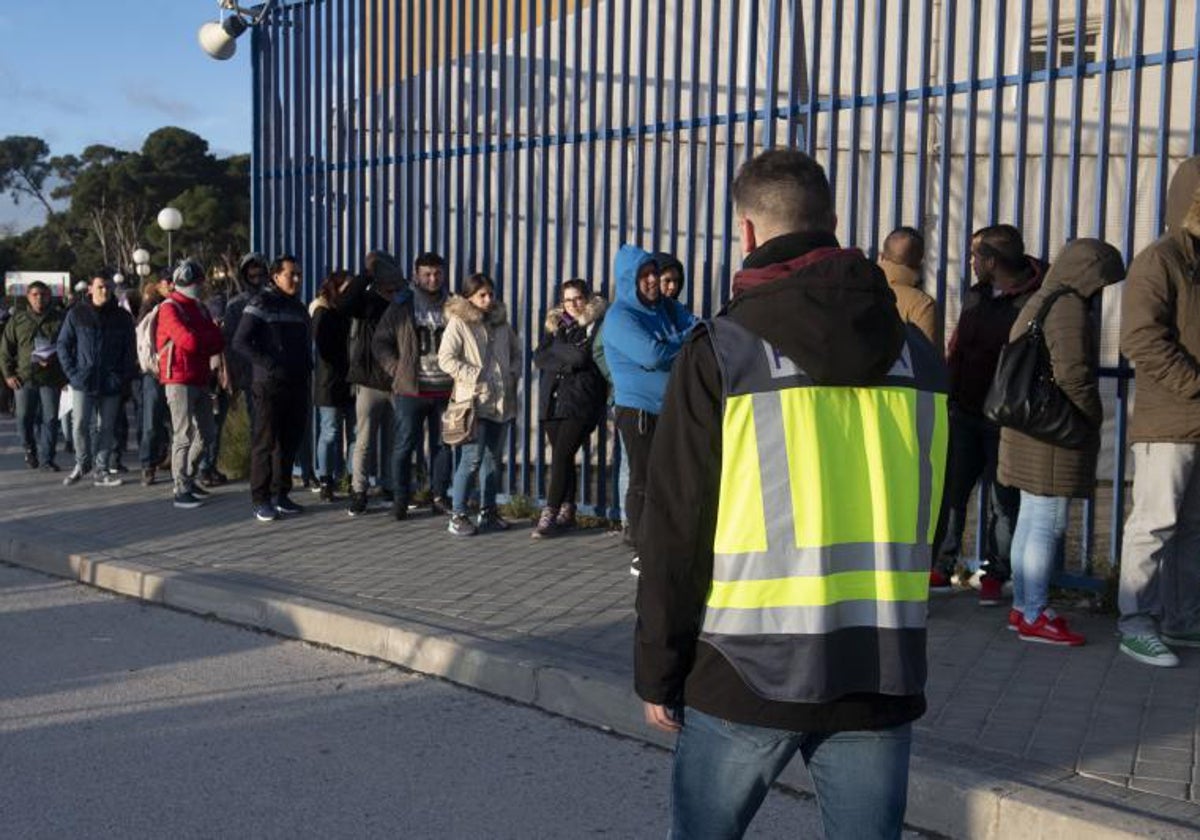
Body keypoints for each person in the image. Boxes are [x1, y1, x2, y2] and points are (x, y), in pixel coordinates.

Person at [635, 148, 948, 840]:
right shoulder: (919, 357)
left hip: (747, 664)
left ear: (745, 233)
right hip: (880, 663)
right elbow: (939, 500)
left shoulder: (723, 350)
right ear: (834, 224)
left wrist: (661, 666)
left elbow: (676, 526)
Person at [996, 239, 1125, 645]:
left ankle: (1023, 607)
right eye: (1103, 281)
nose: (1102, 291)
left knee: (1031, 519)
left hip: (1028, 428)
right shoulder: (1068, 305)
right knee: (1046, 522)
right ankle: (1033, 613)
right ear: (1089, 273)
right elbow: (1073, 374)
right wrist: (1092, 416)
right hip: (1053, 432)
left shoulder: (1041, 298)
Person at [1117, 155, 1200, 667]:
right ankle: (1135, 621)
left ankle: (1182, 620)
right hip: (1169, 421)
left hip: (1192, 421)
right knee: (1154, 524)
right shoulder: (1160, 259)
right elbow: (1140, 340)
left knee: (1192, 528)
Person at [933, 224, 1043, 603]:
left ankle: (997, 572)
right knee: (952, 492)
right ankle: (942, 564)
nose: (971, 262)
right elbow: (958, 346)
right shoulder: (975, 296)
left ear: (992, 261)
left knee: (1003, 500)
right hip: (964, 409)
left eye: (976, 255)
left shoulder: (1032, 299)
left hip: (1004, 416)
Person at [601, 245, 695, 572]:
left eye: (654, 273)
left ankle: (664, 539)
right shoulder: (620, 317)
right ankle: (641, 548)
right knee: (643, 480)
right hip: (639, 411)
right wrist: (680, 342)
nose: (653, 280)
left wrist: (675, 342)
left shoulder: (666, 308)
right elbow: (652, 356)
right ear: (630, 279)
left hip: (670, 406)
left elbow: (697, 328)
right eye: (645, 275)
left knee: (669, 478)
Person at [437, 273, 521, 537]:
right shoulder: (459, 323)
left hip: (501, 402)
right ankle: (458, 515)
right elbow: (446, 359)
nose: (488, 299)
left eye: (490, 294)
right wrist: (475, 375)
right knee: (470, 460)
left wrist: (511, 372)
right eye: (481, 295)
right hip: (473, 402)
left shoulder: (501, 323)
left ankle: (488, 511)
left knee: (493, 461)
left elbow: (517, 352)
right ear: (469, 297)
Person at [373, 251, 454, 520]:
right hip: (412, 389)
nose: (433, 279)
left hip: (445, 389)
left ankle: (439, 495)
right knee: (404, 444)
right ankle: (401, 498)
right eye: (427, 274)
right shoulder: (403, 304)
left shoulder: (454, 305)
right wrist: (397, 370)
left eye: (437, 273)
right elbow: (380, 341)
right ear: (416, 275)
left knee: (443, 445)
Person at [232, 255, 312, 522]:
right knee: (265, 442)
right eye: (292, 274)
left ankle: (281, 494)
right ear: (276, 277)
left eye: (299, 274)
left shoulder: (299, 308)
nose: (297, 279)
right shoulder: (260, 303)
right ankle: (261, 499)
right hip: (268, 385)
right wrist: (269, 364)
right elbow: (240, 342)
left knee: (289, 442)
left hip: (297, 383)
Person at [531, 279, 608, 537]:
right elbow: (539, 357)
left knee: (562, 454)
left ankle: (550, 512)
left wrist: (557, 352)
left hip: (581, 400)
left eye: (578, 298)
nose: (573, 304)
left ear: (587, 298)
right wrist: (564, 358)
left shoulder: (596, 323)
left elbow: (582, 357)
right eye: (567, 300)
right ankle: (569, 509)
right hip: (553, 400)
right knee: (564, 456)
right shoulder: (556, 324)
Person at [56, 272, 137, 487]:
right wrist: (72, 373)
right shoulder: (77, 314)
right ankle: (82, 464)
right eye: (100, 287)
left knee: (107, 427)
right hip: (84, 379)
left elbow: (130, 350)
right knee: (79, 424)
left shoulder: (122, 317)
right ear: (90, 289)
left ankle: (101, 469)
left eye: (108, 287)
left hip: (111, 380)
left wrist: (123, 376)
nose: (105, 291)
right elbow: (63, 344)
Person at [339, 250, 404, 516]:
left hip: (398, 381)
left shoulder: (403, 301)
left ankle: (391, 485)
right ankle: (359, 490)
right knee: (364, 439)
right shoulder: (367, 300)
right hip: (370, 381)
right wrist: (364, 274)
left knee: (395, 439)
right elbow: (343, 305)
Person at [157, 260, 226, 509]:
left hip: (199, 376)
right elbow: (190, 342)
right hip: (177, 378)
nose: (197, 287)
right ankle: (180, 487)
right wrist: (206, 337)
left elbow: (217, 341)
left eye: (198, 283)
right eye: (193, 283)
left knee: (207, 433)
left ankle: (188, 475)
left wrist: (203, 338)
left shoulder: (200, 308)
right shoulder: (169, 308)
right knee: (183, 435)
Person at [1, 281, 67, 471]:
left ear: (50, 297)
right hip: (25, 378)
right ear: (28, 297)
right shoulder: (18, 320)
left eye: (44, 295)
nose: (39, 298)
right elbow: (5, 350)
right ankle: (29, 449)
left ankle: (47, 459)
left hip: (51, 378)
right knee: (24, 418)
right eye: (35, 295)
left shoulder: (59, 319)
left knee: (51, 419)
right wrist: (8, 375)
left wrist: (64, 374)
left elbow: (68, 346)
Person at [310, 270, 355, 502]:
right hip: (329, 382)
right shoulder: (323, 311)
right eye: (345, 287)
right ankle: (326, 478)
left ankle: (352, 479)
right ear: (335, 288)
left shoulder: (352, 312)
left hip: (352, 381)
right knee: (331, 431)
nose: (350, 292)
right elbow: (322, 346)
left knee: (355, 433)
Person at [223, 252, 270, 423]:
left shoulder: (275, 300)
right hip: (248, 375)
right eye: (252, 275)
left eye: (260, 274)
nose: (256, 279)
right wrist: (232, 376)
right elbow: (229, 342)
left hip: (271, 371)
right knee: (256, 423)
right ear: (245, 275)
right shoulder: (235, 305)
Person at [136, 274, 172, 486]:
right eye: (167, 281)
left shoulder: (181, 304)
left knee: (176, 422)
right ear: (159, 284)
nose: (171, 285)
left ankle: (172, 461)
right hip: (154, 372)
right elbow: (142, 334)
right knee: (151, 422)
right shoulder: (151, 306)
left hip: (175, 371)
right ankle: (147, 465)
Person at [879, 226, 940, 349]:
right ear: (921, 262)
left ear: (881, 256)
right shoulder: (921, 304)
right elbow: (928, 359)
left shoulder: (854, 290)